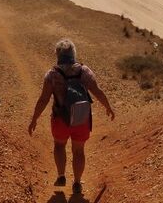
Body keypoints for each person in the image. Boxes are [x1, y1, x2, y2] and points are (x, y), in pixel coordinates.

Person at [28, 38, 115, 194]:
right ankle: (76, 183)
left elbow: (43, 99)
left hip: (60, 118)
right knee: (79, 151)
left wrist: (34, 118)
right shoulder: (84, 71)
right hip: (81, 118)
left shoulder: (52, 74)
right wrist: (108, 107)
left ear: (57, 54)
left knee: (59, 146)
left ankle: (61, 176)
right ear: (73, 53)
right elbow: (97, 91)